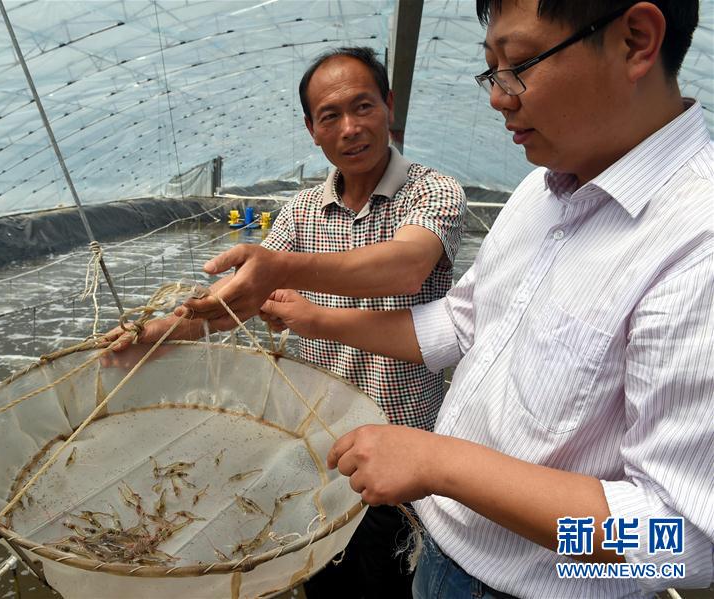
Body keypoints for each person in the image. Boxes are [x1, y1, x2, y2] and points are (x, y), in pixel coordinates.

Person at [257, 1, 713, 597]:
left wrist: (439, 463)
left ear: (635, 41)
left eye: (519, 64)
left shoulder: (696, 244)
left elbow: (682, 546)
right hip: (439, 556)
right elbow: (460, 323)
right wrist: (315, 319)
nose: (498, 96)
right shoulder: (539, 192)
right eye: (491, 69)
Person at [104, 47, 466, 598]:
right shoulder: (300, 211)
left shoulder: (432, 191)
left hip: (401, 458)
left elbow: (406, 266)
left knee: (388, 584)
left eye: (363, 106)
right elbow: (235, 300)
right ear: (311, 130)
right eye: (330, 116)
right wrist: (155, 333)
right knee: (321, 582)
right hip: (318, 452)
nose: (350, 128)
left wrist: (283, 269)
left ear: (389, 106)